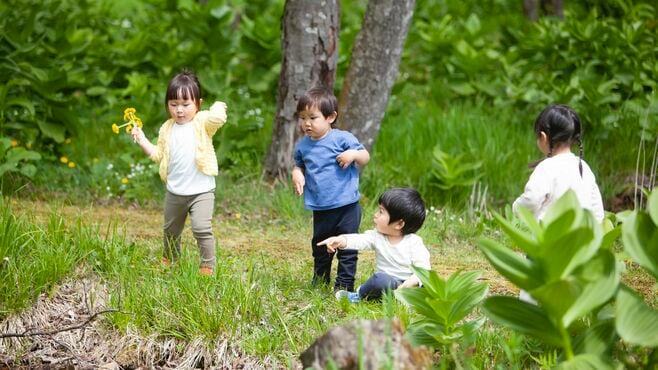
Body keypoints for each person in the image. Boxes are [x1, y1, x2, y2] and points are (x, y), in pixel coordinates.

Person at [131, 69, 227, 276]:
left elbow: (218, 120)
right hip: (175, 192)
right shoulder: (167, 128)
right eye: (173, 105)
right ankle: (171, 259)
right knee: (171, 231)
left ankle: (207, 266)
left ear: (198, 104)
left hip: (202, 191)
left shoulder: (201, 123)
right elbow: (158, 154)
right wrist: (142, 140)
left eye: (186, 104)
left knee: (202, 228)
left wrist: (218, 106)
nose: (179, 110)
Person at [292, 86, 370, 292]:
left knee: (348, 247)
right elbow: (299, 164)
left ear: (330, 117)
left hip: (347, 207)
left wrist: (352, 154)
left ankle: (344, 286)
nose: (306, 123)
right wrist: (297, 173)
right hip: (321, 207)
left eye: (313, 118)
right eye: (302, 118)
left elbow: (365, 156)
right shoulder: (303, 146)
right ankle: (320, 279)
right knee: (320, 246)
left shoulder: (342, 139)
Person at [317, 188, 431, 303]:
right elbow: (360, 239)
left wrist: (412, 281)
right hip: (387, 284)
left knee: (429, 284)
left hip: (409, 286)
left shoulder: (414, 243)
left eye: (381, 212)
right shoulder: (377, 236)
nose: (375, 215)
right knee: (380, 280)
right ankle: (359, 295)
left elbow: (424, 269)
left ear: (399, 224)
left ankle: (405, 300)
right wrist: (341, 240)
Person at [513, 104, 604, 222]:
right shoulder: (584, 167)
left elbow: (532, 199)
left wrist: (516, 208)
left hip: (550, 235)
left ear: (543, 137)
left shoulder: (546, 168)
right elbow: (596, 206)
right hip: (581, 234)